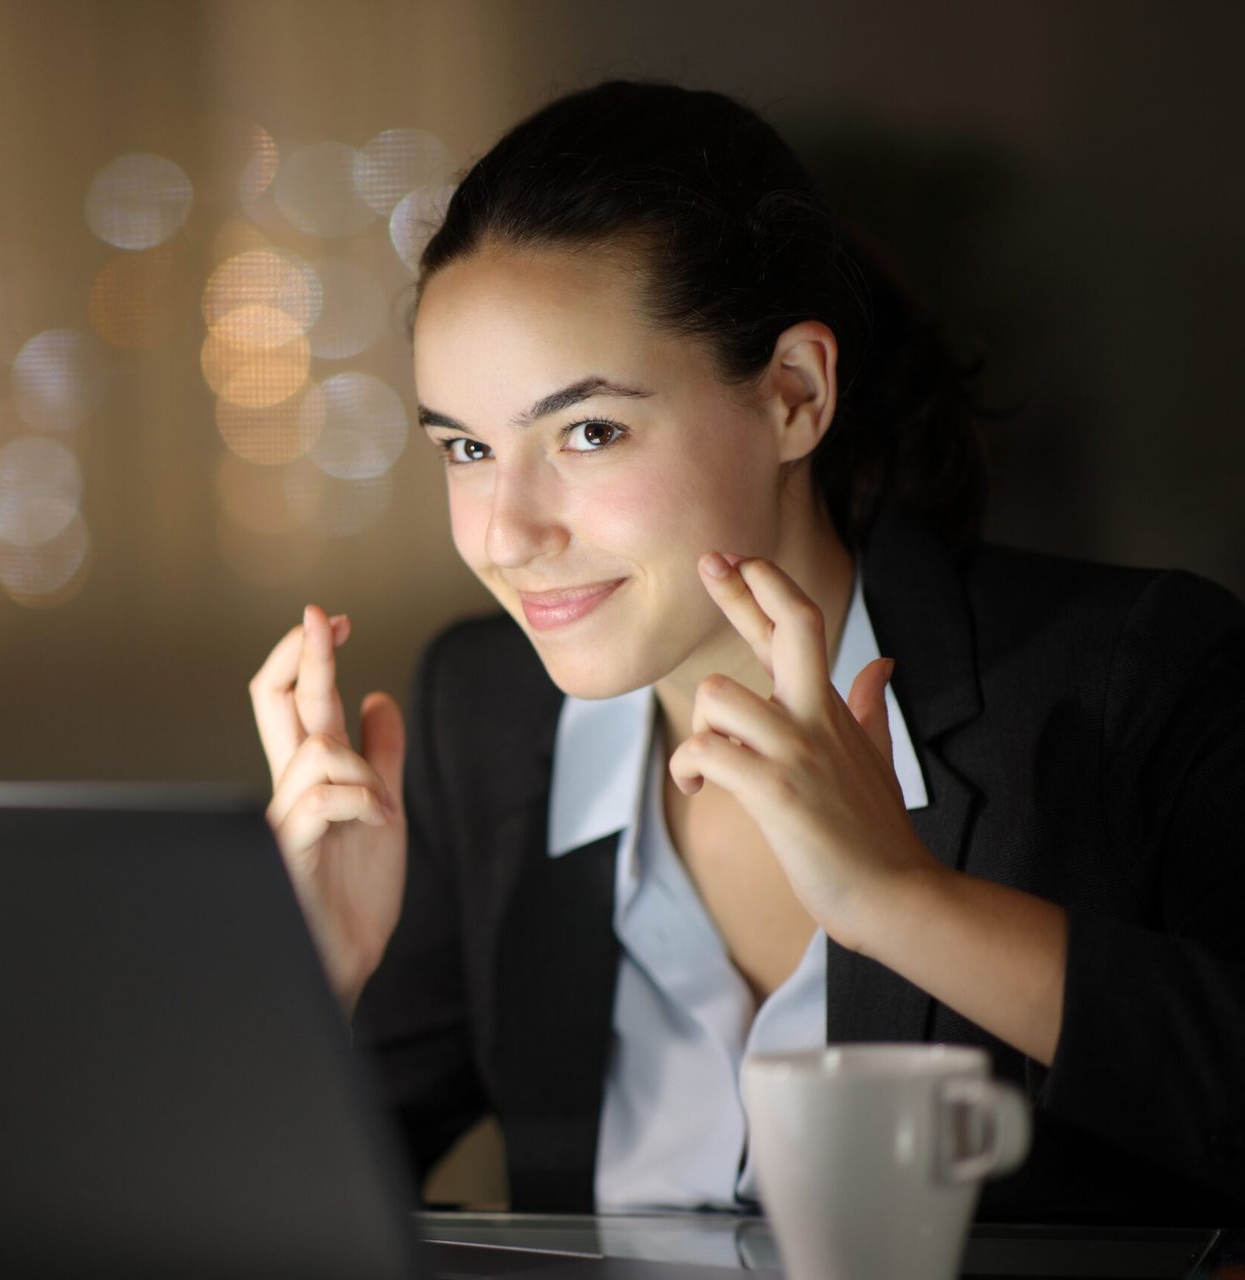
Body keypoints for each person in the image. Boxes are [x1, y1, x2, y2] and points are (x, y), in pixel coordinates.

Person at [248, 80, 1245, 1225]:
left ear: (793, 396)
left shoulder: (1127, 676)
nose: (507, 534)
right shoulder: (483, 714)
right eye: (467, 448)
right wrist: (313, 973)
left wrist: (900, 898)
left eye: (589, 430)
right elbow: (280, 1209)